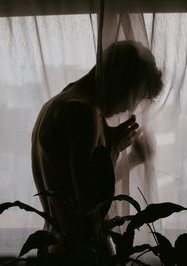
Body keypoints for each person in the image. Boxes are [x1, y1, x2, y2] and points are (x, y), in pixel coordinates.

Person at [31, 40, 163, 264]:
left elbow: (73, 183)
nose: (129, 108)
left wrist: (127, 157)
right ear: (124, 82)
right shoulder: (83, 112)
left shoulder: (55, 104)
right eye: (136, 95)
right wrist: (111, 147)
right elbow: (89, 204)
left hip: (54, 248)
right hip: (78, 254)